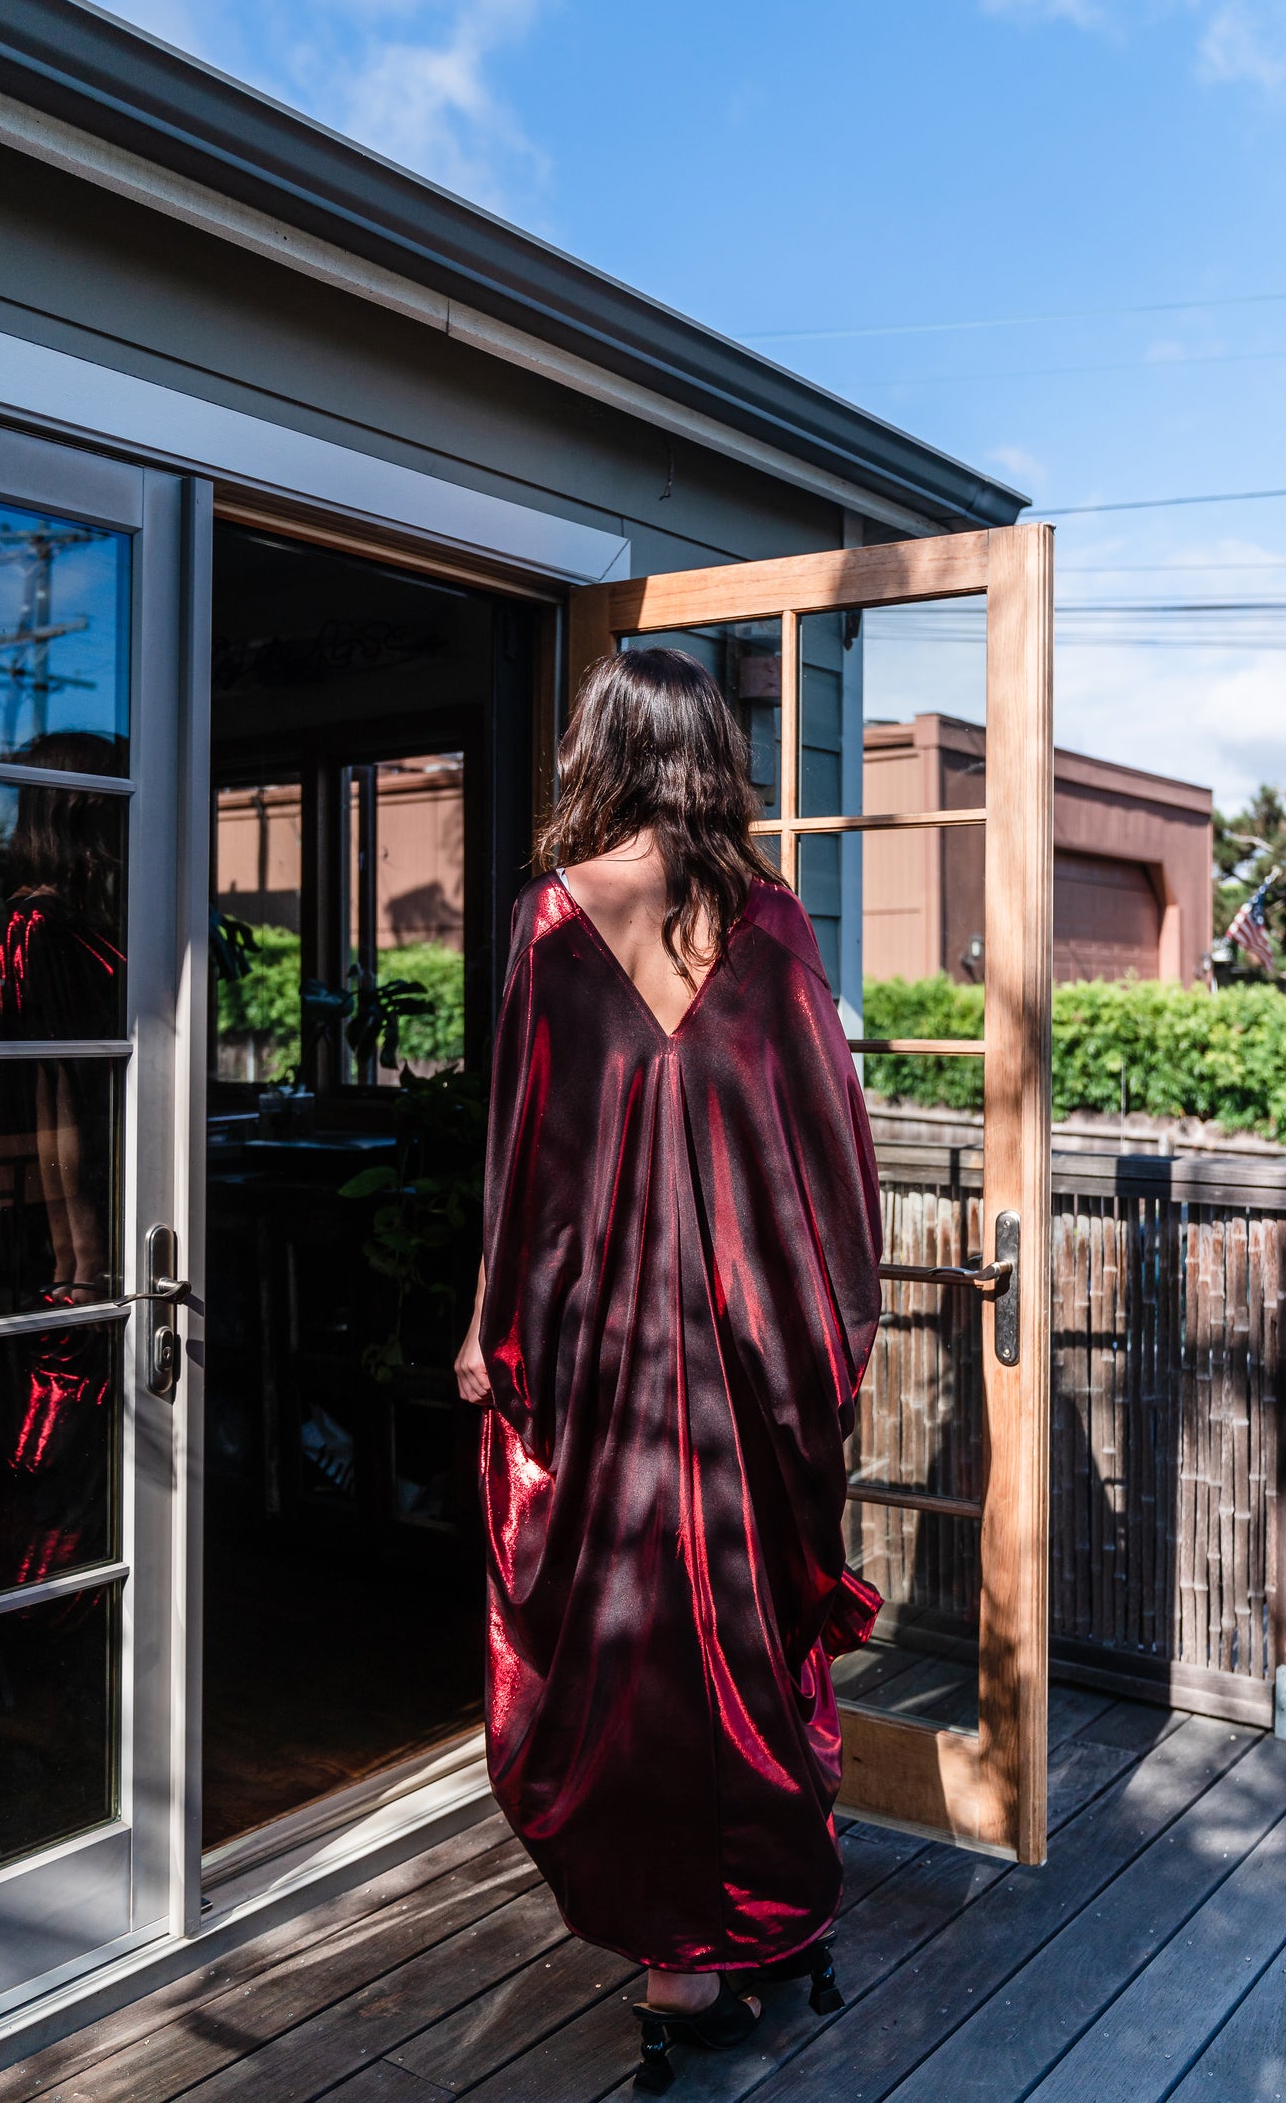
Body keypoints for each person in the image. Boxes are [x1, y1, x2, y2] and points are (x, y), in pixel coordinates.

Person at [454, 646, 881, 2091]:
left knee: (625, 1653)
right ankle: (736, 1944)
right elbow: (831, 1155)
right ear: (709, 752)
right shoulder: (768, 922)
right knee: (741, 1653)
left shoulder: (544, 922)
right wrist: (832, 1338)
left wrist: (488, 1333)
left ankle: (675, 1967)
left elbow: (519, 1162)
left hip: (601, 1363)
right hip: (745, 1373)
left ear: (601, 749)